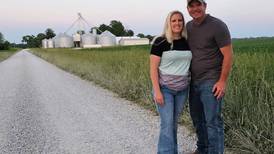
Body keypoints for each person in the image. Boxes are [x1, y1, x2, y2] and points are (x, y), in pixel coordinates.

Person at [186, 0, 233, 153]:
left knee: (212, 122)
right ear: (188, 8)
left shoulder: (217, 25)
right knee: (198, 120)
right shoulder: (188, 27)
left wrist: (222, 81)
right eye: (191, 6)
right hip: (194, 81)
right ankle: (203, 149)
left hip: (211, 81)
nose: (195, 9)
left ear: (205, 6)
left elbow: (228, 55)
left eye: (198, 5)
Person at [150, 10, 192, 154]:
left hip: (182, 90)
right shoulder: (160, 41)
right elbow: (153, 69)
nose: (177, 23)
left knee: (173, 124)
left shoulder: (187, 41)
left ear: (183, 23)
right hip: (165, 89)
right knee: (167, 124)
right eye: (173, 20)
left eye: (180, 20)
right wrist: (157, 91)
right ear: (168, 22)